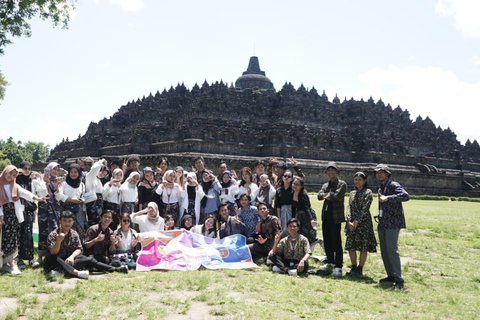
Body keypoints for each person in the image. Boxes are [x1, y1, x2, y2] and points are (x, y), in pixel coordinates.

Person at [44, 210, 127, 279]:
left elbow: (79, 248)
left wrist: (71, 257)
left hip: (70, 261)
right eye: (64, 221)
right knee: (54, 258)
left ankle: (115, 269)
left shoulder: (74, 233)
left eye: (69, 221)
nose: (67, 223)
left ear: (73, 222)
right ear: (60, 221)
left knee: (86, 259)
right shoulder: (54, 234)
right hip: (55, 262)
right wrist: (58, 241)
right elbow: (53, 253)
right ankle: (77, 273)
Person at [0, 165, 46, 274]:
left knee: (12, 238)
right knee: (3, 239)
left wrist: (36, 198)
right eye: (9, 173)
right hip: (2, 216)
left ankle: (11, 263)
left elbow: (25, 193)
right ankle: (3, 263)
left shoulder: (14, 185)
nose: (11, 177)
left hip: (13, 216)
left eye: (13, 175)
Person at [375, 164, 409, 290]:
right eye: (377, 173)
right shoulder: (380, 188)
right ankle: (391, 275)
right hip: (383, 222)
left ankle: (399, 280)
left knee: (391, 250)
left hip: (393, 223)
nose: (379, 175)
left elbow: (405, 196)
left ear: (387, 174)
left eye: (382, 172)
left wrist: (388, 198)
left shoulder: (394, 185)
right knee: (384, 251)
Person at [344, 172, 377, 277]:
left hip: (364, 223)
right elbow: (349, 207)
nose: (357, 182)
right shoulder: (352, 193)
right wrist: (348, 220)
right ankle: (353, 266)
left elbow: (365, 208)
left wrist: (357, 221)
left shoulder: (368, 192)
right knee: (351, 245)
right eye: (355, 180)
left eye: (359, 180)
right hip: (351, 222)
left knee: (363, 246)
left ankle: (360, 268)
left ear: (365, 181)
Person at [317, 162, 347, 277]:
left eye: (333, 170)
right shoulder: (326, 184)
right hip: (326, 216)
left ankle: (338, 266)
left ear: (337, 171)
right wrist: (329, 195)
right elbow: (319, 196)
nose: (330, 172)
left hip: (336, 217)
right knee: (327, 240)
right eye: (328, 171)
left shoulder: (342, 184)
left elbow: (337, 196)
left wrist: (328, 195)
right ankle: (330, 261)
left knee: (336, 241)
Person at [35, 162, 62, 266]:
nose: (55, 171)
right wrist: (46, 183)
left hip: (55, 208)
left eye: (57, 170)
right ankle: (40, 256)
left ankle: (52, 254)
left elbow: (59, 197)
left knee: (54, 230)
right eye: (53, 169)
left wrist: (57, 187)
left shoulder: (58, 181)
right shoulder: (40, 180)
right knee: (43, 230)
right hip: (44, 208)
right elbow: (40, 193)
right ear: (48, 169)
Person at [55, 163, 87, 240]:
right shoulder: (64, 184)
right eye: (71, 172)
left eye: (75, 172)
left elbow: (83, 196)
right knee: (67, 227)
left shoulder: (82, 184)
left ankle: (78, 247)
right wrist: (71, 199)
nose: (73, 174)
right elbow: (58, 196)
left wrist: (80, 200)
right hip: (66, 209)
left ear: (79, 173)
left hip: (78, 210)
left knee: (79, 227)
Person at [15, 161, 37, 268]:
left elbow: (41, 191)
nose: (27, 171)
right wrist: (15, 174)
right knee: (18, 234)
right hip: (17, 210)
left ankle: (30, 258)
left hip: (28, 211)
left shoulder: (32, 181)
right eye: (25, 168)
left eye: (29, 169)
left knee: (28, 235)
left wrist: (41, 179)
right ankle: (18, 259)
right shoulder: (14, 181)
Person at [291, 176, 317, 245]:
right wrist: (293, 219)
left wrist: (311, 219)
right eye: (294, 183)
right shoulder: (292, 193)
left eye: (297, 184)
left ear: (301, 186)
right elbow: (293, 207)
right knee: (299, 232)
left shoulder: (303, 194)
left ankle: (315, 242)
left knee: (308, 233)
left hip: (307, 214)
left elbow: (306, 208)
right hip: (299, 215)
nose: (295, 186)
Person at [84, 157, 109, 228]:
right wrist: (101, 161)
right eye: (102, 172)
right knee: (92, 223)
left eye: (105, 174)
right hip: (92, 204)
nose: (102, 175)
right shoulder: (90, 178)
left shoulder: (99, 181)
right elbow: (94, 169)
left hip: (99, 205)